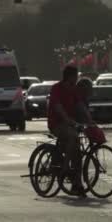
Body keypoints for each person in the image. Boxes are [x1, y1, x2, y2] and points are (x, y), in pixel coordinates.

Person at [47, 66, 87, 196]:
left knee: (78, 153)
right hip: (57, 124)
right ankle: (65, 167)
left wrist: (90, 120)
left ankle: (77, 184)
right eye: (75, 76)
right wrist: (68, 120)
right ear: (69, 77)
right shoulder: (56, 89)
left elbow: (80, 105)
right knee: (72, 136)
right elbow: (58, 107)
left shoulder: (74, 90)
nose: (76, 79)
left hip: (70, 124)